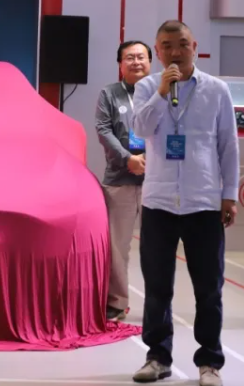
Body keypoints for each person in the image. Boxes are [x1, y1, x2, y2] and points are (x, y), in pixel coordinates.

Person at [130, 20, 238, 386]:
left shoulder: (217, 90)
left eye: (181, 44)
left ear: (194, 46)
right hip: (159, 201)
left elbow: (228, 145)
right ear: (157, 51)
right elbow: (140, 129)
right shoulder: (147, 87)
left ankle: (210, 362)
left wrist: (229, 194)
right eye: (166, 45)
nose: (175, 52)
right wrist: (161, 93)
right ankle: (157, 357)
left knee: (209, 289)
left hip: (203, 201)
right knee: (157, 286)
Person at [95, 40, 152, 322]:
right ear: (120, 64)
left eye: (141, 57)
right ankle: (117, 302)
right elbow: (103, 130)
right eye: (129, 57)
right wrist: (128, 158)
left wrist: (152, 160)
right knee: (117, 246)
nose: (136, 62)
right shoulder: (110, 93)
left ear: (150, 62)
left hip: (157, 181)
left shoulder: (163, 92)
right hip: (120, 179)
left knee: (158, 245)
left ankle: (157, 303)